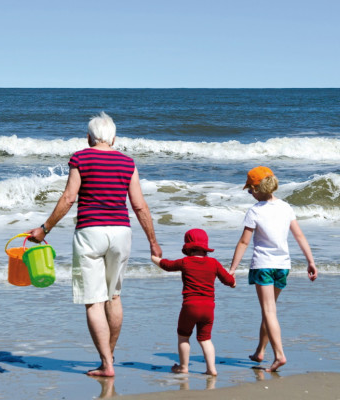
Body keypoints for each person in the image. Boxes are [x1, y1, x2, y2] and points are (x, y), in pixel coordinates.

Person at [26, 112, 161, 377]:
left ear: (89, 137)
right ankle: (108, 358)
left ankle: (107, 364)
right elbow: (139, 206)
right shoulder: (127, 162)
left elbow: (68, 198)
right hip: (121, 232)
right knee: (114, 296)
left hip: (90, 232)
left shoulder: (81, 157)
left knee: (93, 301)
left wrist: (44, 229)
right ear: (114, 138)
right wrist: (153, 242)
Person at [228, 166, 317, 372]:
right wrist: (310, 261)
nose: (250, 193)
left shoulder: (255, 211)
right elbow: (300, 236)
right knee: (270, 311)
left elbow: (244, 242)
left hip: (263, 265)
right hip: (283, 266)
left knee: (269, 311)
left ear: (257, 189)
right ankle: (260, 350)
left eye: (250, 189)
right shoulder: (286, 207)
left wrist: (232, 269)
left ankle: (279, 355)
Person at [151, 228, 236, 376]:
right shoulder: (214, 263)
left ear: (188, 245)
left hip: (190, 306)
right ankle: (211, 369)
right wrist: (233, 281)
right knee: (205, 339)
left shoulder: (185, 262)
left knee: (183, 336)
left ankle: (183, 367)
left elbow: (167, 265)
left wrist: (154, 258)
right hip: (209, 308)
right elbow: (229, 281)